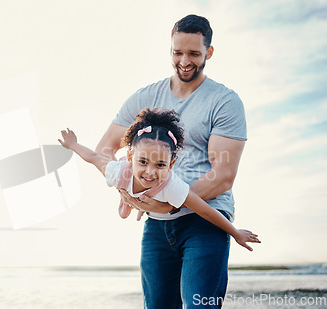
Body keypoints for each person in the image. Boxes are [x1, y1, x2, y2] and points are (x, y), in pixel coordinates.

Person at [95, 15, 251, 308]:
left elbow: (223, 176)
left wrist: (170, 202)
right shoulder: (144, 97)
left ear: (209, 52)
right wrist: (128, 188)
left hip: (206, 220)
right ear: (170, 50)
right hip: (157, 225)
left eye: (194, 53)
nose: (184, 61)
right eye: (178, 52)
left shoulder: (224, 101)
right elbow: (104, 149)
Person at [58, 108, 259, 254]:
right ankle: (130, 201)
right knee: (126, 205)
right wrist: (73, 144)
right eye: (143, 161)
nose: (150, 172)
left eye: (160, 165)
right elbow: (93, 157)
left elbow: (204, 209)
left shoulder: (172, 185)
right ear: (130, 158)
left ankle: (138, 201)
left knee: (149, 193)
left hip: (160, 199)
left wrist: (235, 232)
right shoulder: (117, 171)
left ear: (171, 165)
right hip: (127, 184)